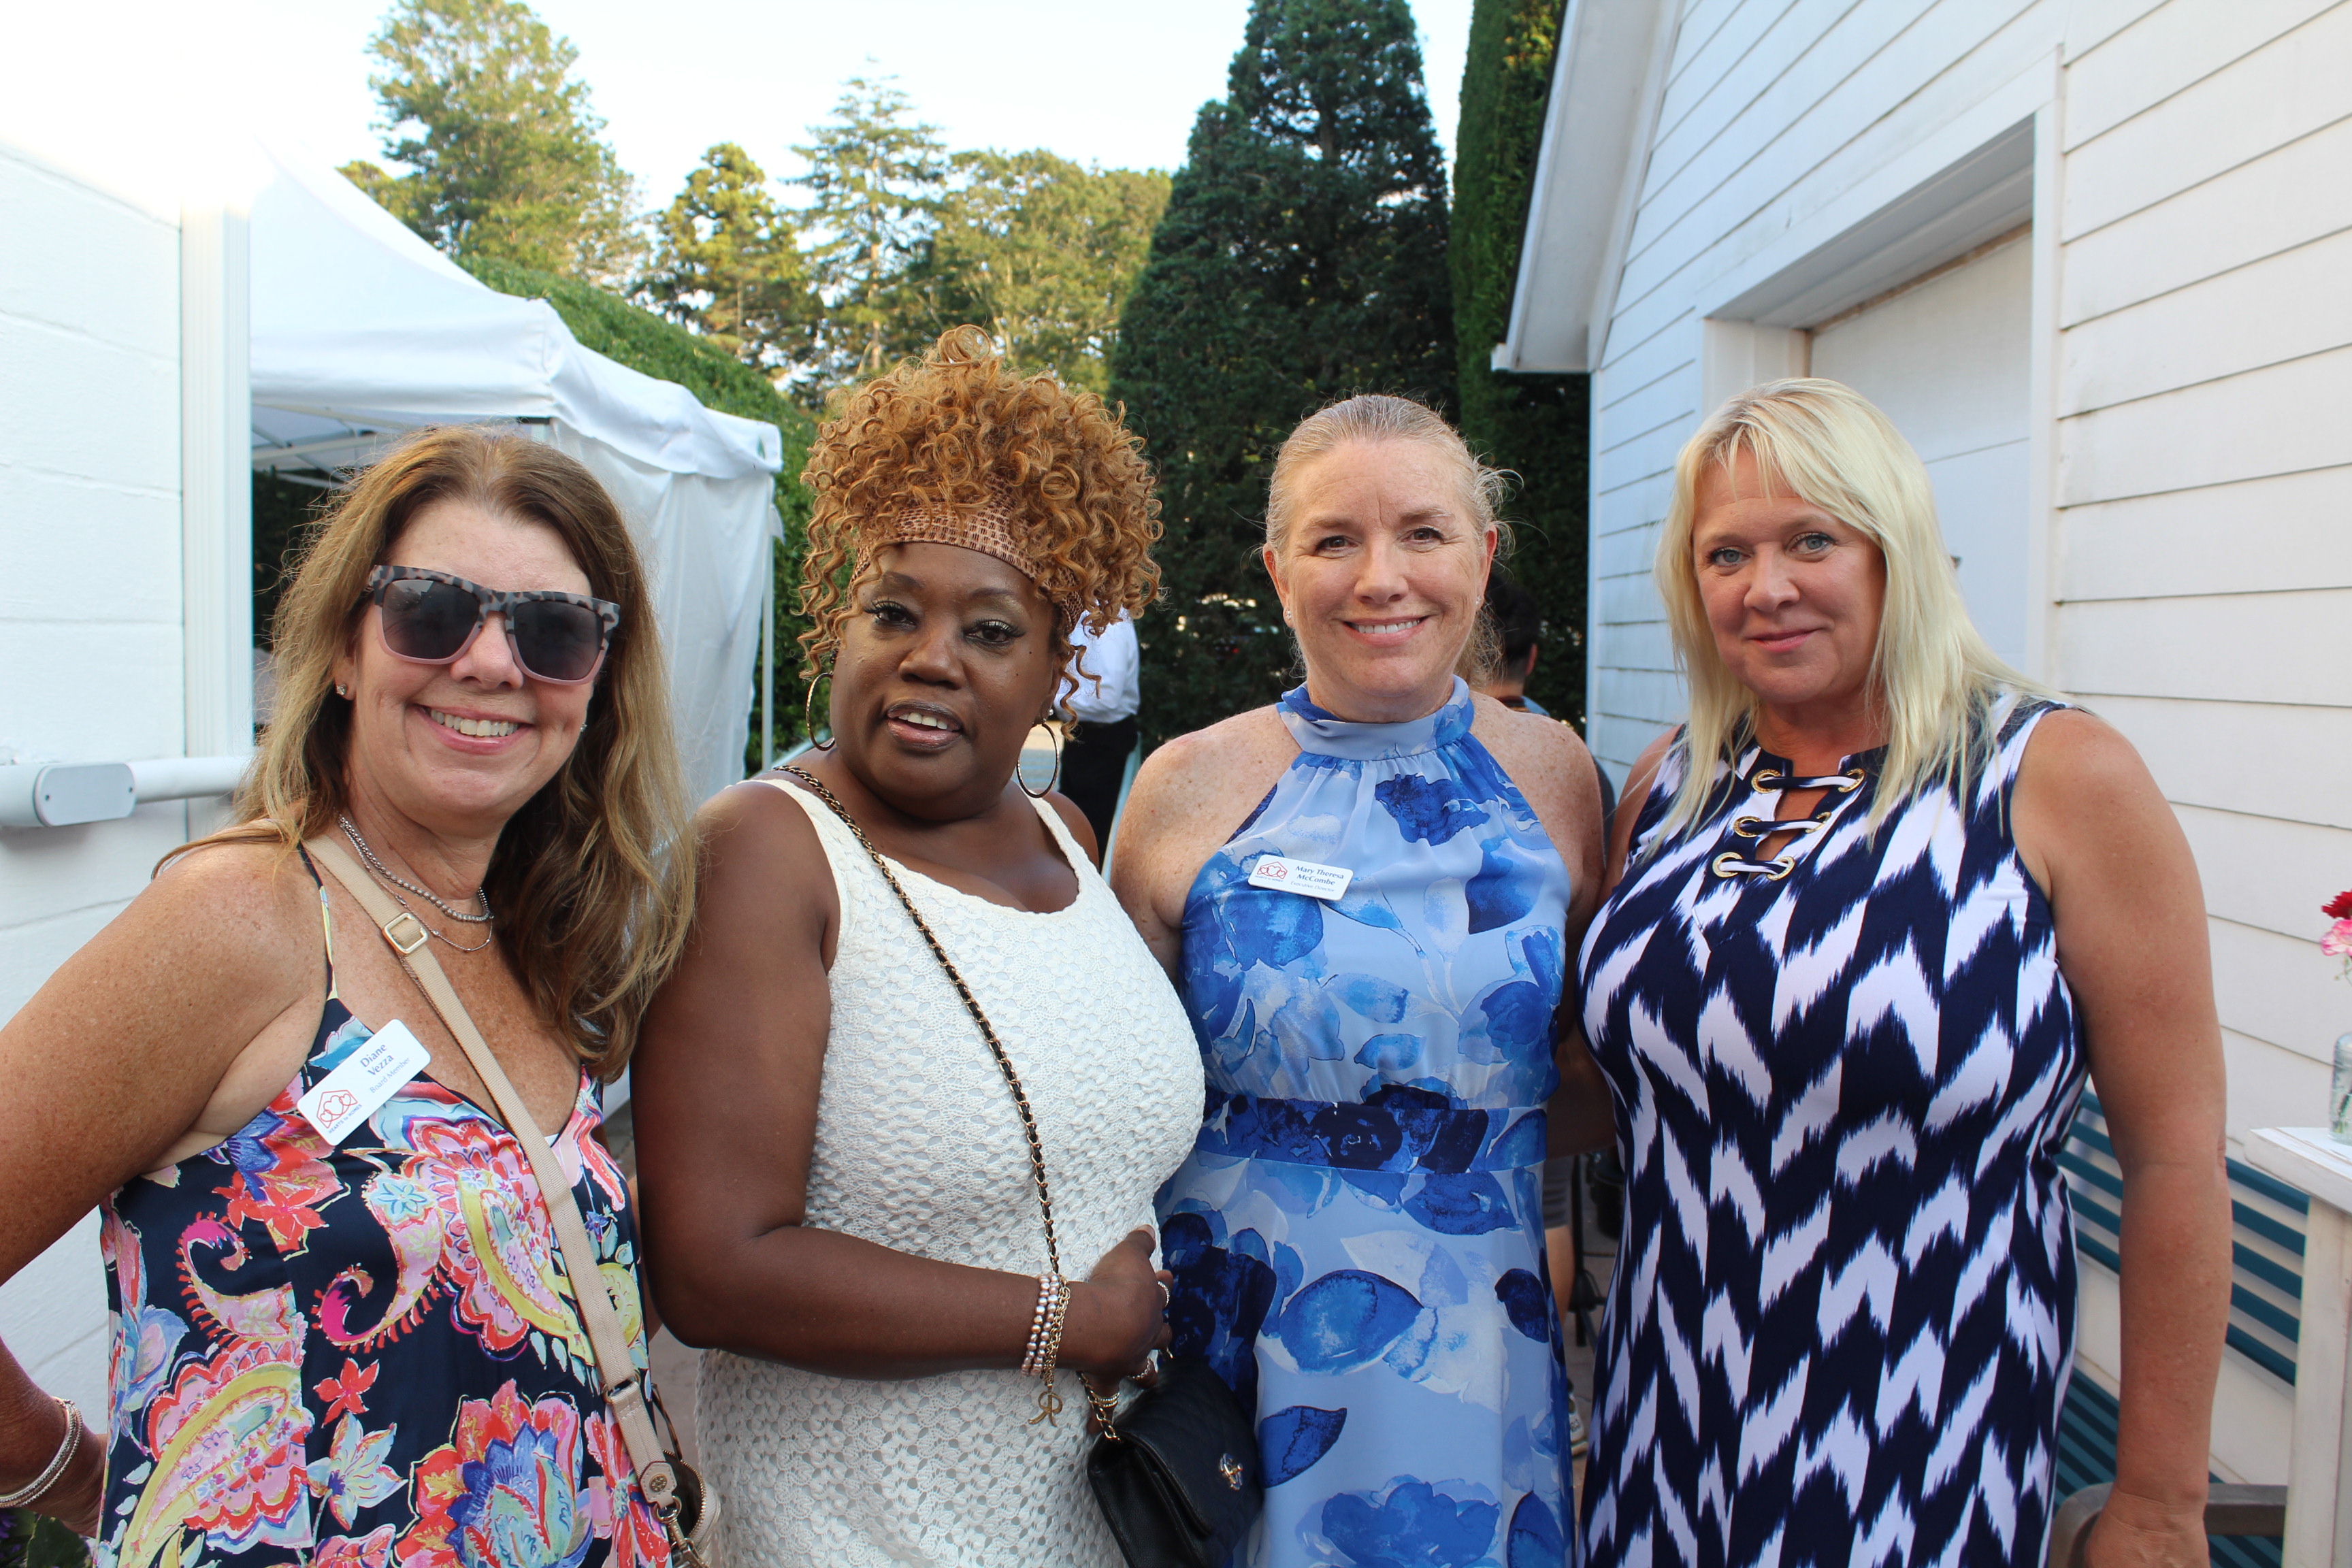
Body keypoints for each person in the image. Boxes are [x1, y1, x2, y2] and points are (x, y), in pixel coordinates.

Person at [0, 425, 697, 1566]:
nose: (492, 662)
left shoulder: (531, 939)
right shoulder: (243, 916)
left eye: (554, 630)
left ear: (597, 682)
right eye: (432, 610)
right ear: (342, 649)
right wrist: (70, 1474)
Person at [1577, 379, 2230, 1567]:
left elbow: (2174, 1159)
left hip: (1920, 1418)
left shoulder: (2053, 776)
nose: (1767, 586)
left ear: (1897, 552)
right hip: (1667, 1415)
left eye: (1811, 540)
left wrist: (2159, 1502)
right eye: (1726, 553)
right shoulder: (1670, 784)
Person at [631, 327, 1204, 1567]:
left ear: (1059, 666)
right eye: (892, 610)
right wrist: (1069, 1320)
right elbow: (712, 1269)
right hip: (863, 1532)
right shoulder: (768, 852)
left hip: (1091, 1521)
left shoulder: (1067, 834)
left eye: (990, 630)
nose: (930, 655)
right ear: (839, 625)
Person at [1113, 394, 1612, 1566]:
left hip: (1475, 1329)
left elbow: (1588, 1059)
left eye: (1423, 533)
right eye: (1334, 540)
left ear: (1482, 557)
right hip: (1232, 1328)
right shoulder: (1186, 785)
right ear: (1278, 571)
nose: (1381, 578)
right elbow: (1113, 1094)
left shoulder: (1557, 776)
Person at [1057, 608, 1141, 850]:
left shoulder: (1107, 617)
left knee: (1089, 839)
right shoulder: (1090, 613)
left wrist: (1051, 699)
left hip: (1103, 743)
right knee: (1071, 831)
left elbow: (1106, 696)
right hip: (1087, 737)